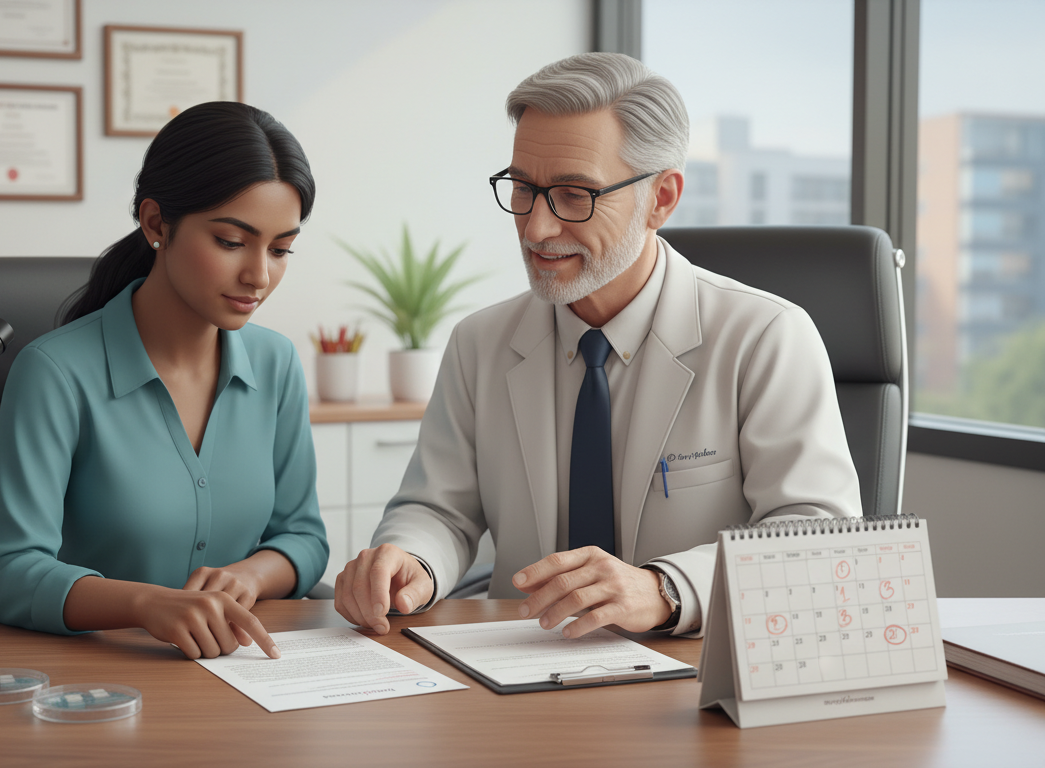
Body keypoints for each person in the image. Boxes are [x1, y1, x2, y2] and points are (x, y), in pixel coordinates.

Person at [334, 53, 861, 639]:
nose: (535, 229)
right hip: (513, 668)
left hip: (690, 677)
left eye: (574, 194)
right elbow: (438, 509)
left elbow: (819, 537)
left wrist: (665, 588)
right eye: (524, 189)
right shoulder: (479, 343)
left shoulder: (765, 338)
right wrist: (414, 560)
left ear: (661, 198)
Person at [0, 102, 327, 660]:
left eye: (281, 249)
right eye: (232, 242)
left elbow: (303, 537)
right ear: (156, 223)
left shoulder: (276, 362)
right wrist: (146, 605)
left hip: (246, 676)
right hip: (97, 682)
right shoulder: (56, 372)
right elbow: (9, 572)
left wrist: (251, 576)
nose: (260, 275)